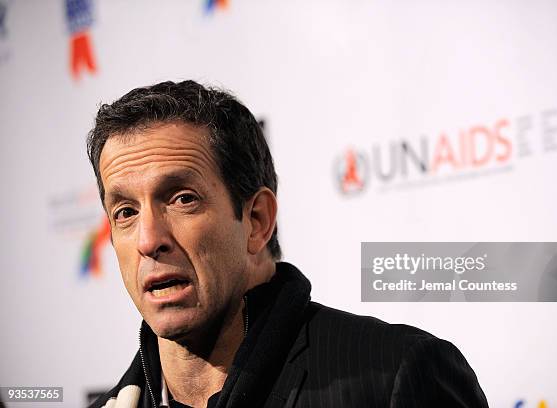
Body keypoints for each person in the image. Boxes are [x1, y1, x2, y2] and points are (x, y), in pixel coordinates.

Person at [86, 80, 489, 408]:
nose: (149, 240)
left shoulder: (395, 376)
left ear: (257, 221)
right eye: (125, 211)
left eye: (182, 199)